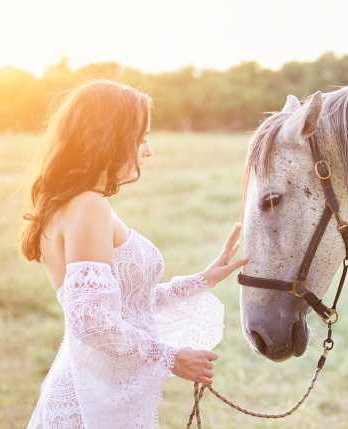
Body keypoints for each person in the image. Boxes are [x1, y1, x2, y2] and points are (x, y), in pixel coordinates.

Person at [20, 79, 248, 428]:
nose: (148, 151)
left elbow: (123, 305)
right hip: (90, 404)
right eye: (141, 139)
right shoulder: (89, 207)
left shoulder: (74, 204)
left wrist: (202, 280)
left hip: (99, 393)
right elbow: (94, 322)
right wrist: (172, 358)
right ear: (109, 137)